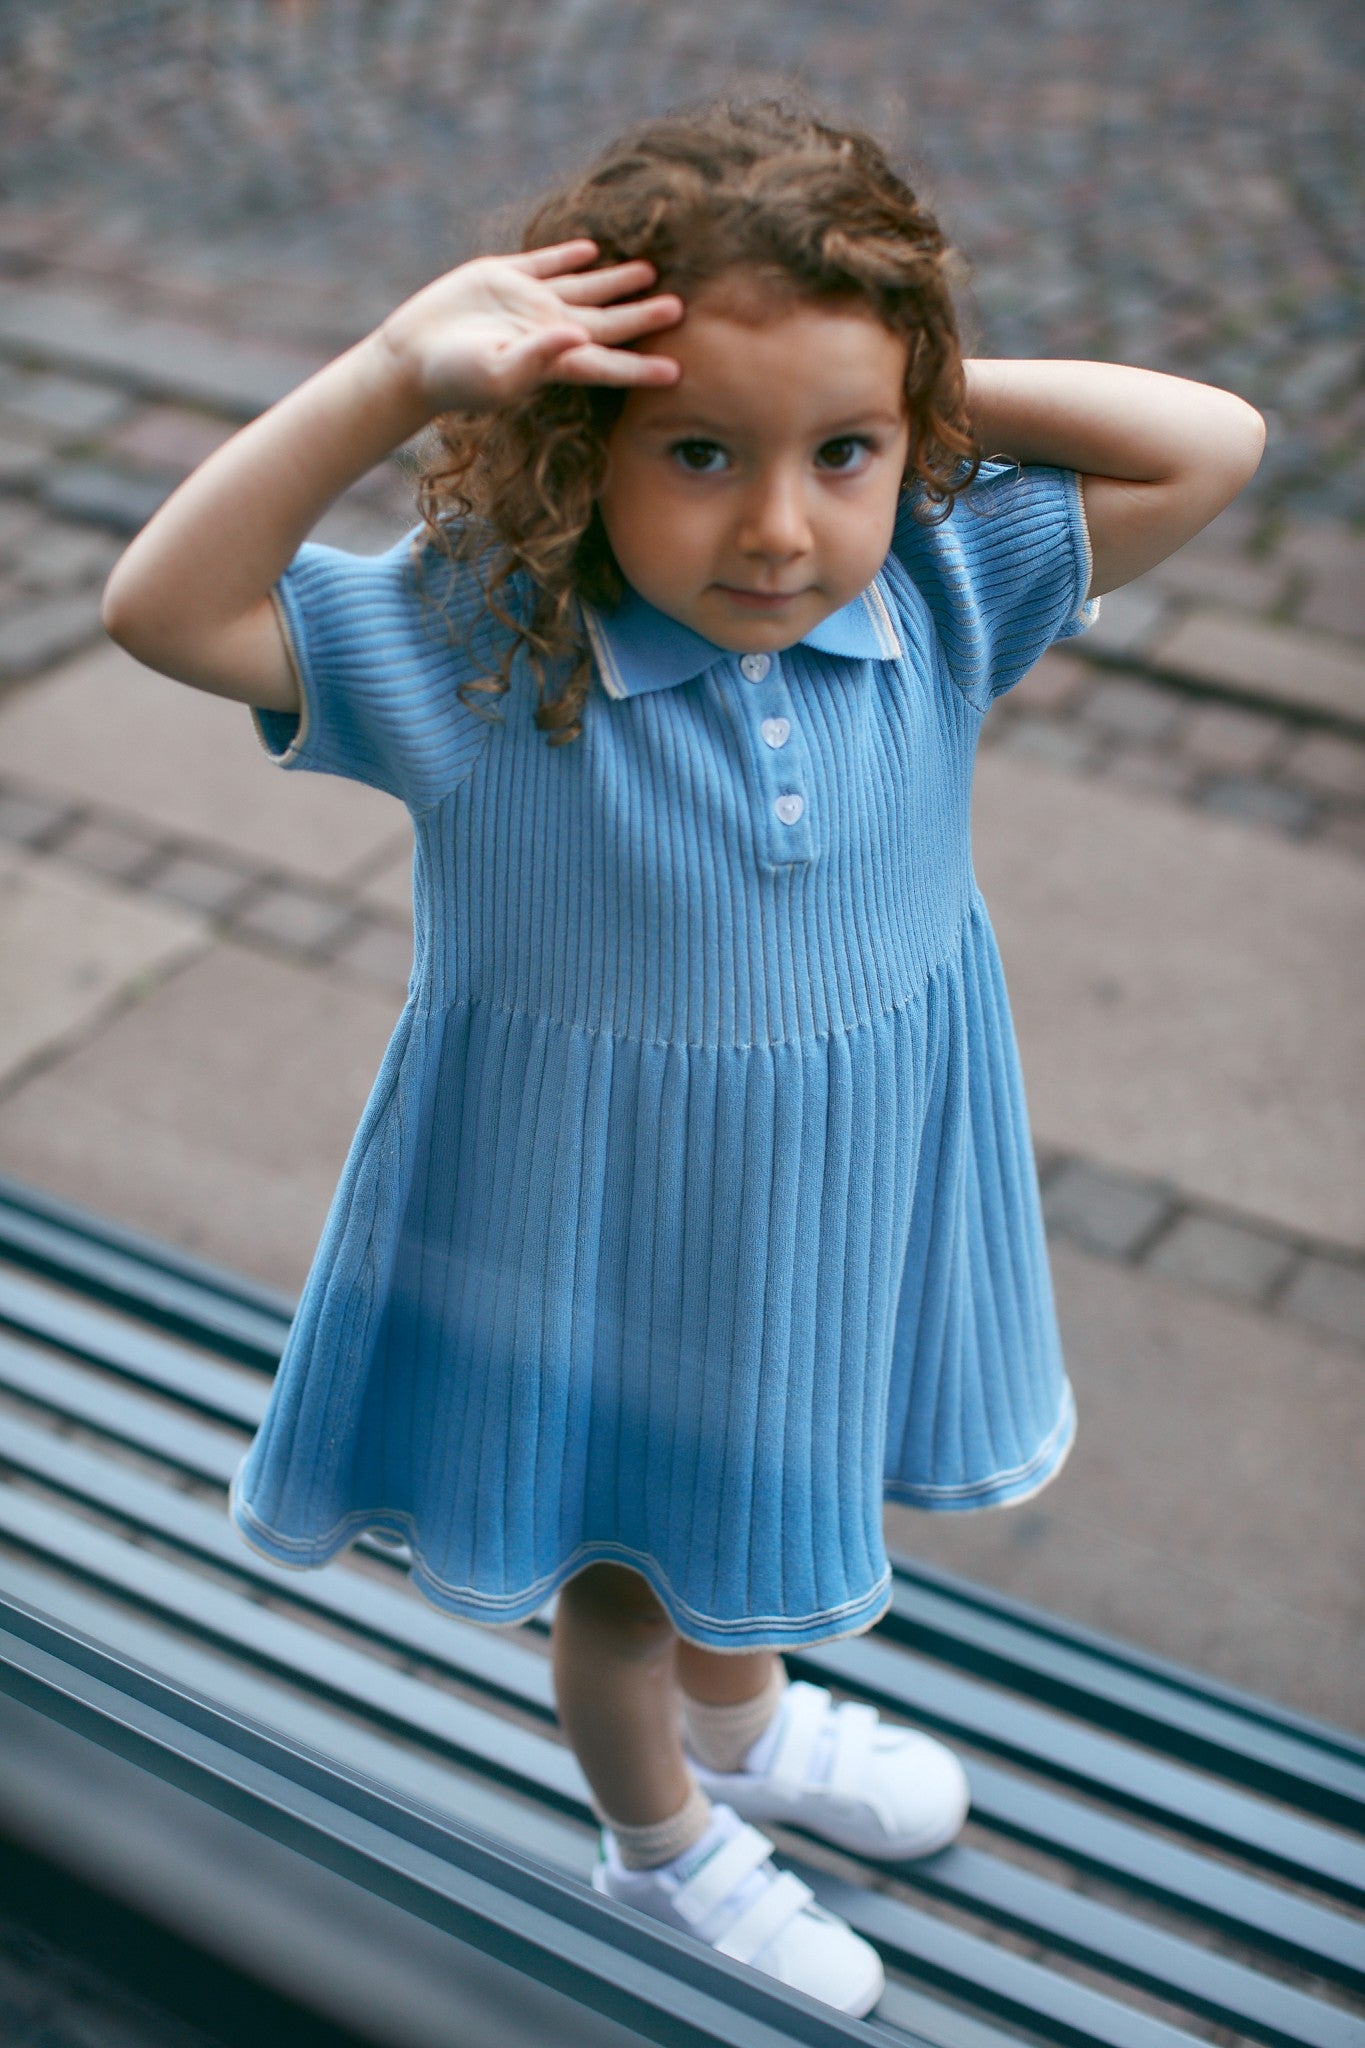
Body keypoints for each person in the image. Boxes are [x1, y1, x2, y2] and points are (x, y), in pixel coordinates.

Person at [101, 98, 1264, 2018]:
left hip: (828, 1206)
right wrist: (396, 371)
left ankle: (744, 1722)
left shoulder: (940, 592)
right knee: (626, 1578)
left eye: (845, 451)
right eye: (701, 451)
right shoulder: (488, 649)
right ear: (583, 442)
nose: (780, 525)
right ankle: (661, 1846)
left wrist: (913, 380)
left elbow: (1210, 440)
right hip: (595, 1233)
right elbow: (164, 608)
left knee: (764, 1497)